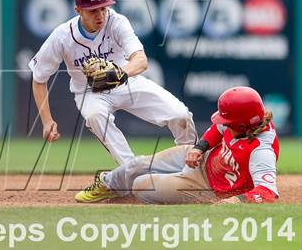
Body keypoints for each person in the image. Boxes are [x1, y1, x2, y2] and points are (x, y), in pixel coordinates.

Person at [29, 0, 197, 165]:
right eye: (93, 10)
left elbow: (141, 61)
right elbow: (39, 78)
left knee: (180, 114)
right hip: (89, 92)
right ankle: (131, 170)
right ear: (78, 10)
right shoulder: (62, 36)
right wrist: (47, 121)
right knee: (95, 116)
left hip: (127, 82)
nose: (100, 15)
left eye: (103, 8)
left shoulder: (116, 21)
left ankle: (191, 162)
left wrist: (118, 73)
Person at [75, 86, 280, 204]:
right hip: (204, 161)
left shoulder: (261, 151)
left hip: (208, 188)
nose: (223, 124)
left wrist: (236, 202)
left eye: (228, 123)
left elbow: (267, 192)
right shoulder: (244, 121)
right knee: (138, 164)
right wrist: (199, 148)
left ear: (243, 125)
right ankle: (108, 183)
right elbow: (217, 130)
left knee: (141, 186)